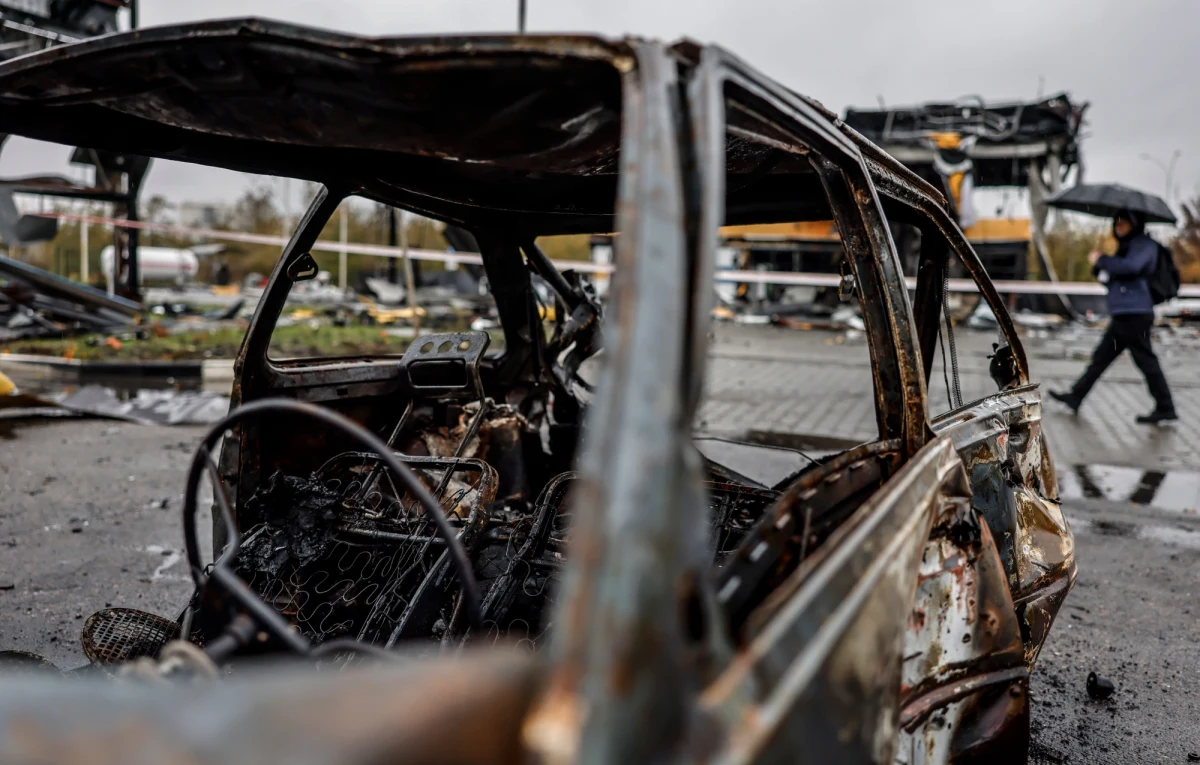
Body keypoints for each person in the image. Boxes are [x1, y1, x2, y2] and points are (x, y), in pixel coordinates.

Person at [1049, 210, 1176, 423]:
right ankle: (1076, 396)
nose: (1119, 228)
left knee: (1145, 361)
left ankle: (1166, 406)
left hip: (1136, 314)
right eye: (1116, 224)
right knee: (1101, 358)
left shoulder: (1143, 246)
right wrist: (1099, 268)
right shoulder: (1125, 248)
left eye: (1123, 224)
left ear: (1134, 224)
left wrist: (1103, 259)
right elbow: (1114, 279)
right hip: (1123, 313)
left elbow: (1131, 268)